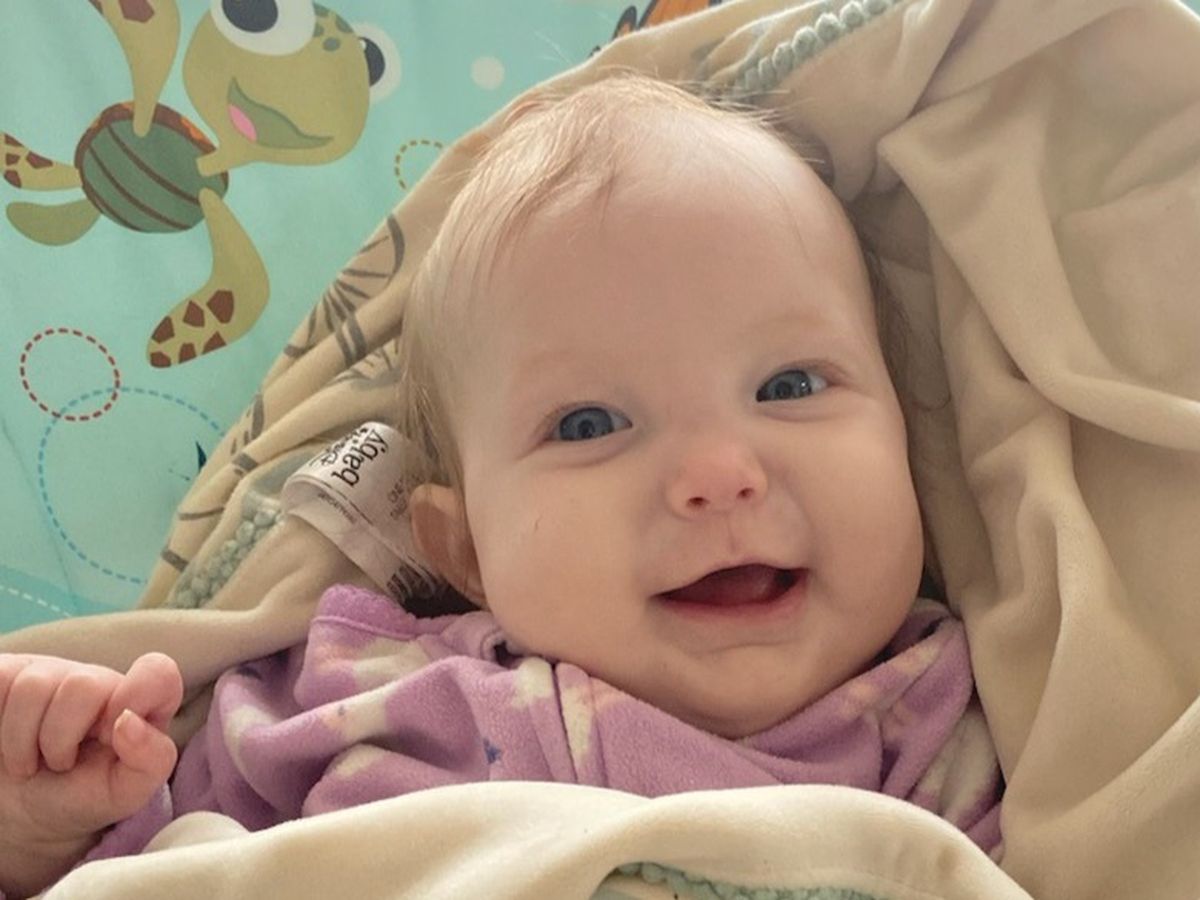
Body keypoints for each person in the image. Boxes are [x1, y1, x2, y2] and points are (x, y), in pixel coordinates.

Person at [0, 74, 1002, 898]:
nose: (718, 476)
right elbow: (168, 861)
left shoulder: (932, 733)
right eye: (590, 425)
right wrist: (47, 828)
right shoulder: (367, 691)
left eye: (789, 386)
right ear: (466, 549)